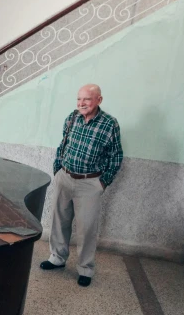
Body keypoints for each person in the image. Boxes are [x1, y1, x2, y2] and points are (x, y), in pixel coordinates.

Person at [40, 84, 123, 287]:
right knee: (59, 221)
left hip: (90, 183)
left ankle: (85, 268)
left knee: (87, 229)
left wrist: (102, 182)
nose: (81, 103)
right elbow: (63, 144)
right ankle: (57, 258)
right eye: (79, 99)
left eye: (86, 99)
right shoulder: (72, 117)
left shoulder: (109, 124)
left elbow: (116, 156)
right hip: (65, 177)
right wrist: (58, 169)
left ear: (99, 100)